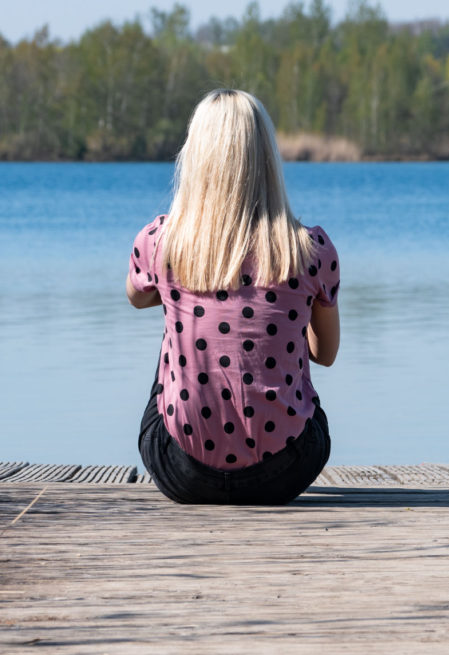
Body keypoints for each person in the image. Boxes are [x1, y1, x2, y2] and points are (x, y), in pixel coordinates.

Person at [126, 89, 340, 505]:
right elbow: (324, 353)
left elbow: (136, 298)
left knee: (175, 327)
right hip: (285, 471)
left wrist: (187, 289)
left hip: (182, 471)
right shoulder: (310, 250)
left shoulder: (158, 242)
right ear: (267, 158)